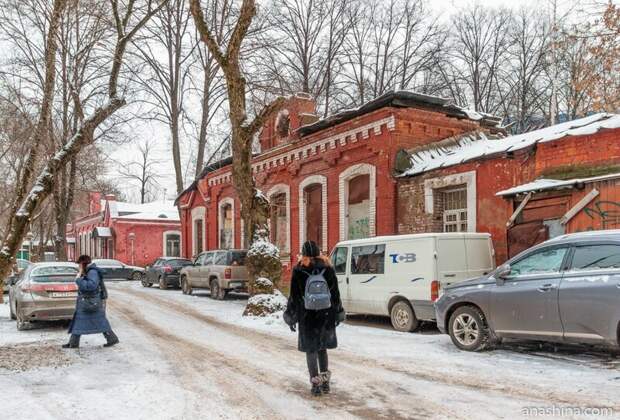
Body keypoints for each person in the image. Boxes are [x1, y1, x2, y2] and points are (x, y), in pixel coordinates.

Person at [284, 241, 345, 396]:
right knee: (322, 349)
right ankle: (325, 383)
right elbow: (335, 294)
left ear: (303, 254)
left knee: (311, 350)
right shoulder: (328, 269)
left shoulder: (298, 270)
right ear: (319, 252)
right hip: (326, 314)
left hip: (307, 316)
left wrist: (292, 317)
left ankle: (315, 385)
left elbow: (294, 297)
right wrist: (338, 313)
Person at [62, 255, 119, 349]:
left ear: (83, 264)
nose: (78, 267)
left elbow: (91, 286)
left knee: (98, 321)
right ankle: (73, 342)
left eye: (79, 265)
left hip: (90, 302)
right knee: (80, 320)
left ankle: (111, 338)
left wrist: (78, 280)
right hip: (88, 301)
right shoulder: (89, 271)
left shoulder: (92, 272)